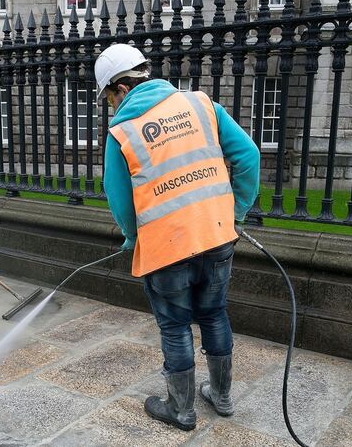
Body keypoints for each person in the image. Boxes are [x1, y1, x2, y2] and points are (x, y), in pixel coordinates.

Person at [95, 44, 260, 431]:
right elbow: (249, 156)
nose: (110, 106)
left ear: (120, 87)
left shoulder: (121, 131)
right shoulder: (201, 104)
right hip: (217, 235)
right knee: (214, 313)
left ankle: (181, 408)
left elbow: (119, 199)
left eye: (108, 97)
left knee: (174, 325)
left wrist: (132, 236)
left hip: (166, 246)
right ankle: (221, 396)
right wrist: (233, 212)